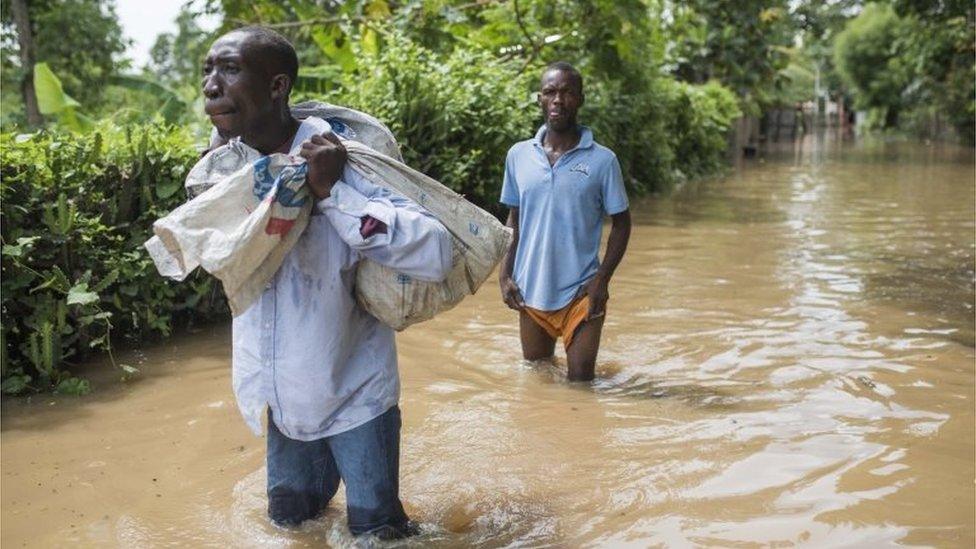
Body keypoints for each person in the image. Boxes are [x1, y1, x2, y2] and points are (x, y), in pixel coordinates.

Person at [200, 26, 452, 538]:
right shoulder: (224, 168)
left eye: (228, 69)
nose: (211, 85)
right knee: (291, 526)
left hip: (353, 393)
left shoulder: (341, 158)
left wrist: (332, 192)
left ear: (277, 87)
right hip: (280, 398)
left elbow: (436, 251)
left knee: (377, 532)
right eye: (207, 70)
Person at [498, 62, 631, 382]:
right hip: (530, 290)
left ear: (580, 100)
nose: (558, 99)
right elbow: (513, 219)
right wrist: (504, 276)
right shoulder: (518, 155)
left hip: (583, 292)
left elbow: (622, 224)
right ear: (540, 99)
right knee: (538, 377)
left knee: (582, 381)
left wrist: (602, 279)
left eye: (568, 93)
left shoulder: (603, 160)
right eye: (551, 92)